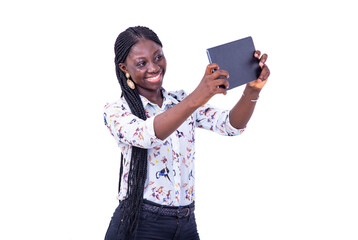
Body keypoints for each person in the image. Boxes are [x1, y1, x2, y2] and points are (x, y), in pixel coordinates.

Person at [103, 26, 270, 240]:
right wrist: (199, 96)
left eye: (158, 57)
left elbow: (230, 125)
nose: (154, 68)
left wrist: (252, 90)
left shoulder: (180, 100)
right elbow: (147, 135)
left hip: (186, 222)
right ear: (124, 68)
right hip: (140, 223)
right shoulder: (116, 111)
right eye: (142, 63)